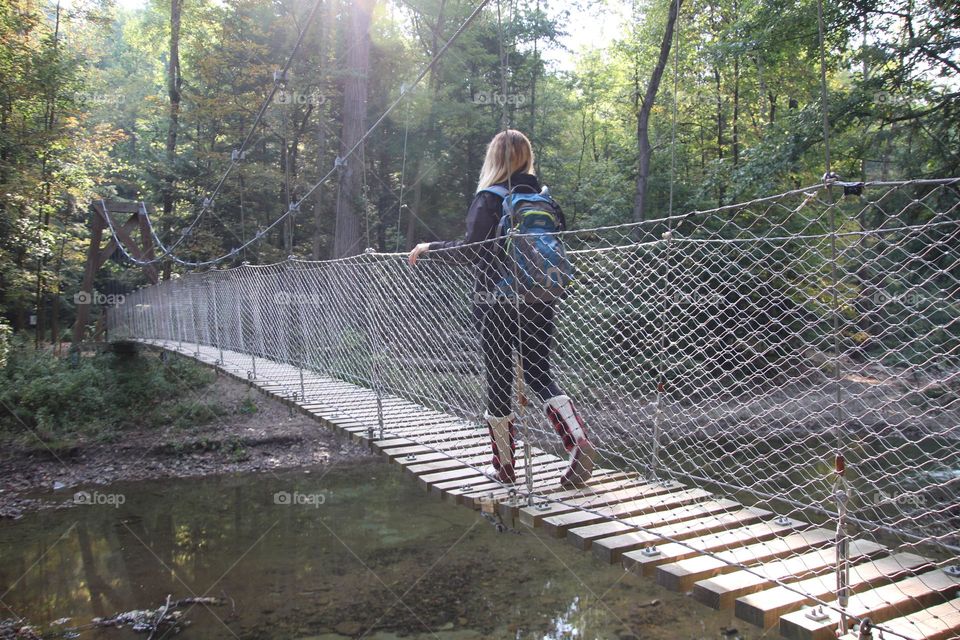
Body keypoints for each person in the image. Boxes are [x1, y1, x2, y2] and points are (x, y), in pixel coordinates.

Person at [407, 129, 594, 488]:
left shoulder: (489, 198)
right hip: (540, 298)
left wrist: (430, 248)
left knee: (499, 380)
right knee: (538, 372)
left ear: (495, 158)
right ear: (527, 158)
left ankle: (504, 467)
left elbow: (470, 251)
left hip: (495, 302)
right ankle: (577, 439)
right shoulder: (545, 202)